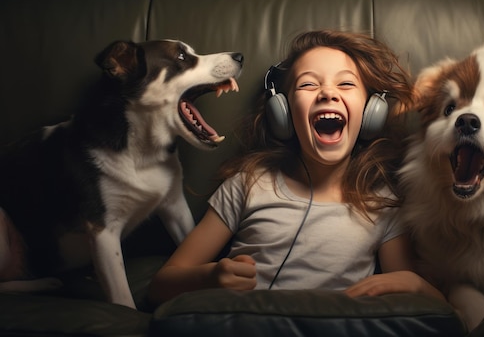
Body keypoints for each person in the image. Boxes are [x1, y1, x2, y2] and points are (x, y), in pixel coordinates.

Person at [148, 29, 444, 304]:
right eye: (308, 84)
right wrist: (209, 277)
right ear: (284, 112)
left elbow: (417, 305)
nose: (328, 93)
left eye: (345, 83)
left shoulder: (382, 203)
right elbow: (161, 285)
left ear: (371, 112)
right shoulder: (247, 184)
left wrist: (416, 285)